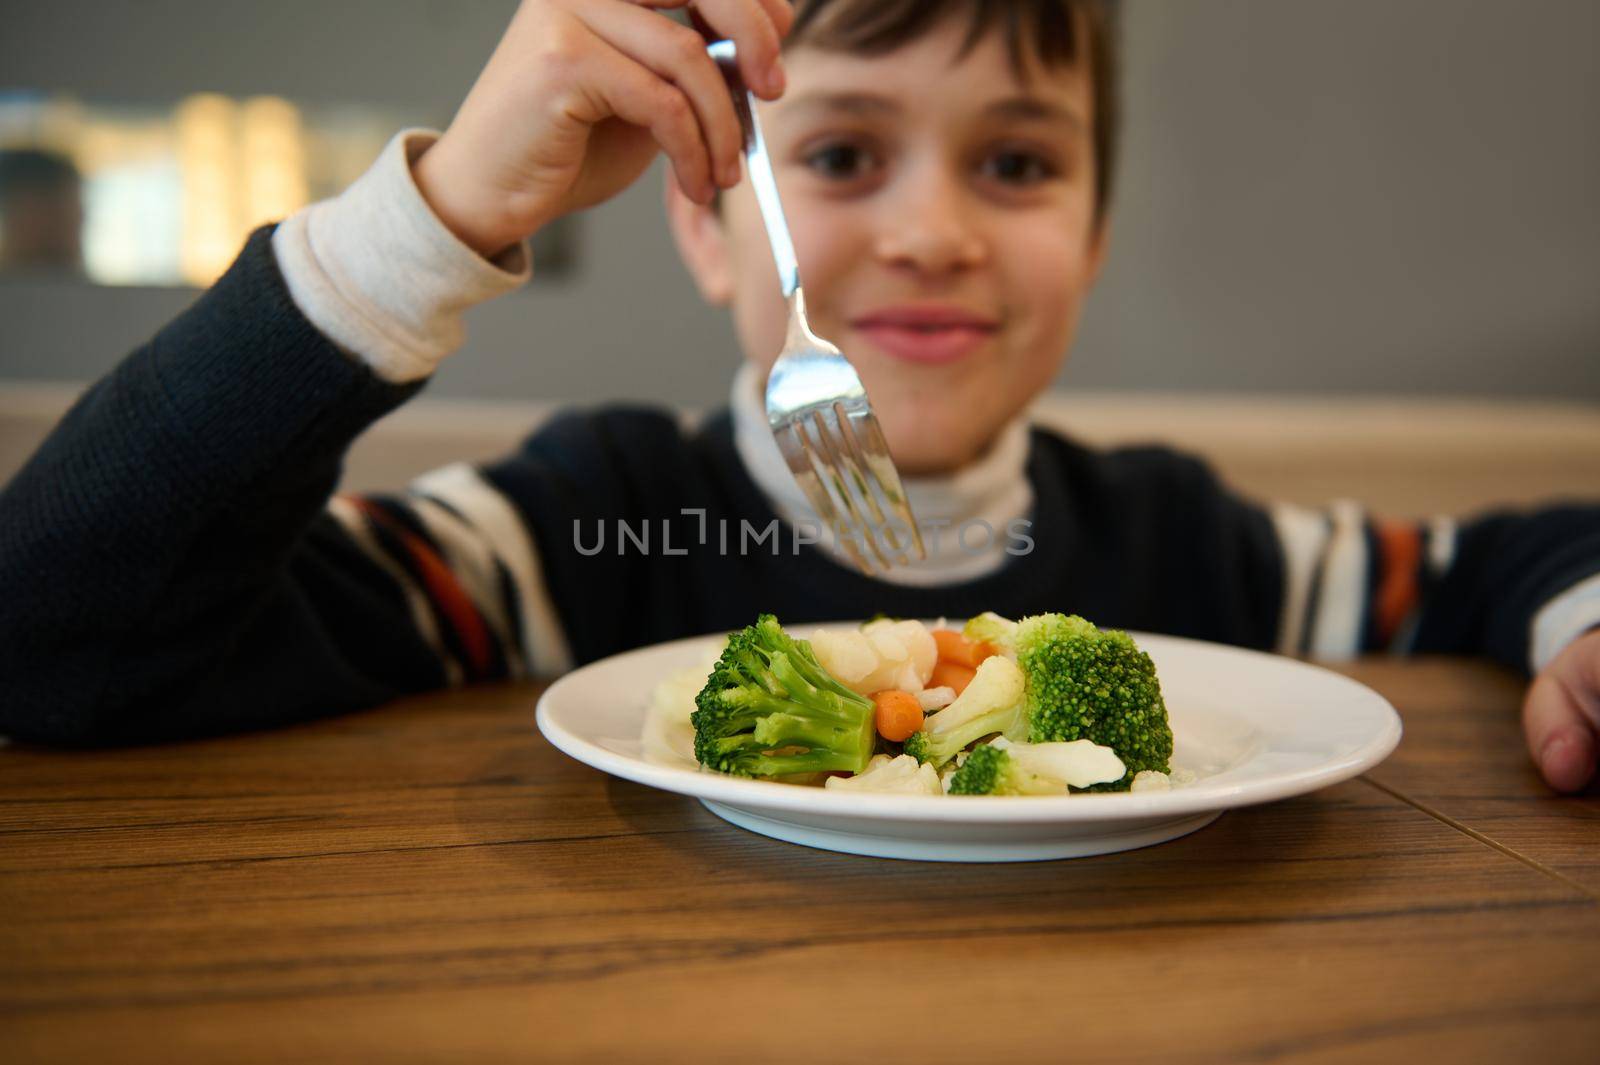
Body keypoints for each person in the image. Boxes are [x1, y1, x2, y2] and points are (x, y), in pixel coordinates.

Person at [1, 0, 1596, 792]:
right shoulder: (573, 530)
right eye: (837, 155)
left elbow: (1499, 561)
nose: (932, 230)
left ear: (1094, 233)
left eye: (1020, 162)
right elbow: (58, 631)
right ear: (703, 221)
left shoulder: (1189, 542)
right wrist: (444, 216)